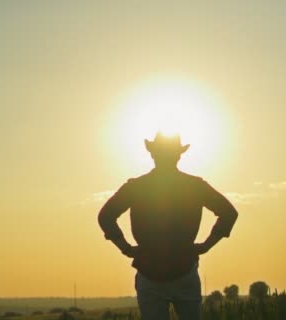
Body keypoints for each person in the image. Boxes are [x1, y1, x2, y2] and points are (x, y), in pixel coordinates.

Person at [98, 132, 238, 319]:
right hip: (184, 269)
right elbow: (229, 213)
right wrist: (206, 245)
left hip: (149, 271)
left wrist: (125, 248)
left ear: (152, 154)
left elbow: (105, 216)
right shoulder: (194, 186)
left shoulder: (137, 186)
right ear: (178, 155)